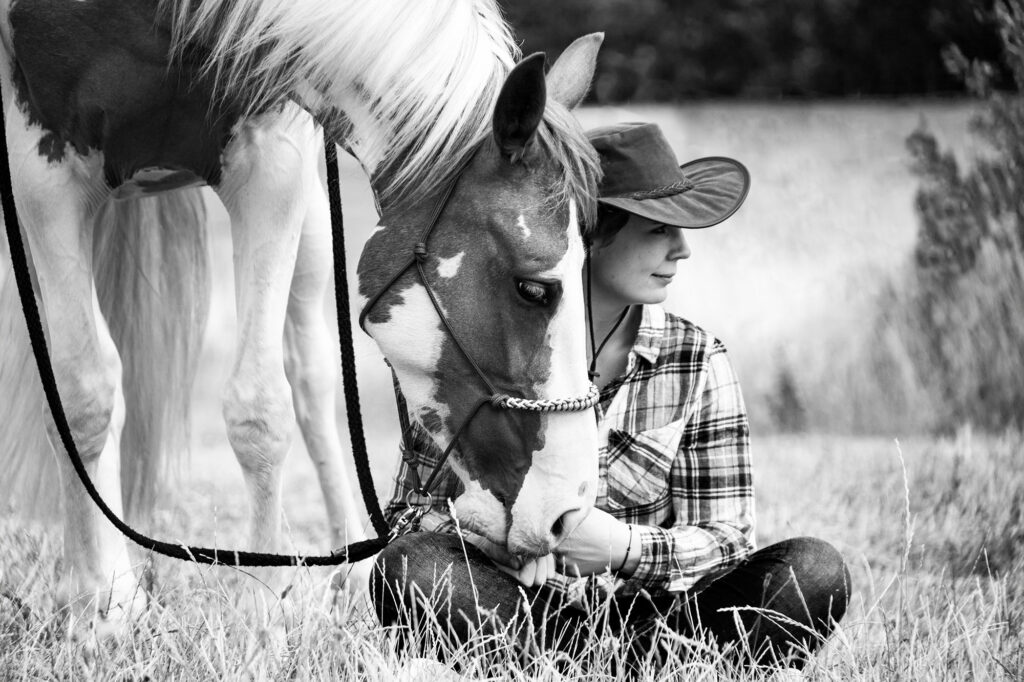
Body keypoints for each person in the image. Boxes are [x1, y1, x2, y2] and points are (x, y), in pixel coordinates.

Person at [370, 122, 850, 673]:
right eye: (659, 229)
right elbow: (406, 521)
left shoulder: (696, 359)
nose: (683, 249)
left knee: (815, 572)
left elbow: (727, 543)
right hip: (521, 619)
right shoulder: (474, 353)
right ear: (590, 234)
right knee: (410, 568)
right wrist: (502, 535)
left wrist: (620, 547)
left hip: (666, 627)